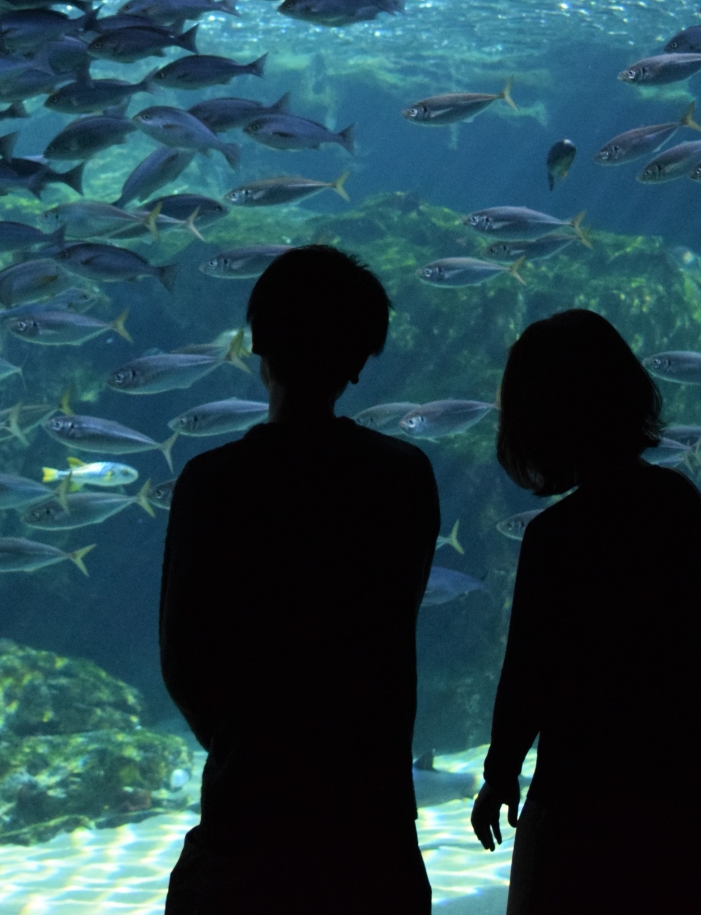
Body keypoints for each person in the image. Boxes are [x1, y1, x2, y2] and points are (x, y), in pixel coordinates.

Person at [160, 245, 440, 913]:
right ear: (361, 360)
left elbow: (182, 661)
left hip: (250, 816)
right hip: (371, 823)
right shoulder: (404, 477)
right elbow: (393, 613)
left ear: (259, 345)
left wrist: (245, 742)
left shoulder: (212, 484)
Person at [470, 309, 701, 913]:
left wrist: (500, 772)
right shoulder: (679, 499)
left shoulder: (557, 536)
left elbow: (527, 673)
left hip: (586, 788)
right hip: (686, 781)